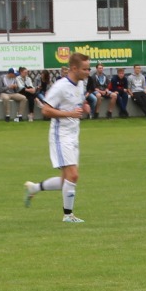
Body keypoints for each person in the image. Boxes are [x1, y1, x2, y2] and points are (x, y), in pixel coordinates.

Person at [23, 52, 90, 223]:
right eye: (85, 69)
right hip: (60, 136)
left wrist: (85, 108)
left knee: (65, 180)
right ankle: (68, 215)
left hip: (74, 135)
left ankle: (34, 188)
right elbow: (45, 110)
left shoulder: (81, 84)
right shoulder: (60, 86)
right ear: (74, 68)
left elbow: (79, 105)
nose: (87, 72)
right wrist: (69, 113)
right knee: (73, 176)